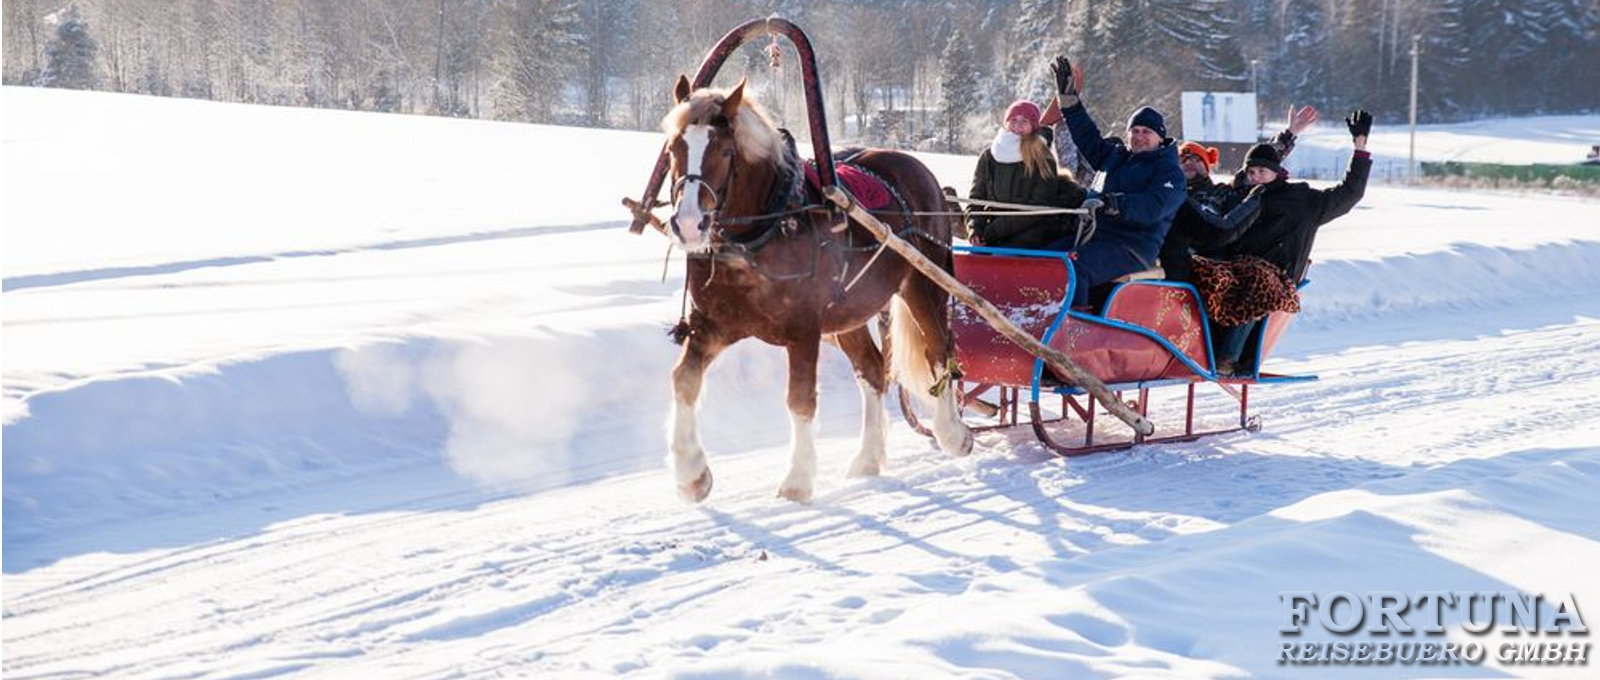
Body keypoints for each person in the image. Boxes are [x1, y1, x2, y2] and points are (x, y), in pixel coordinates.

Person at [1202, 109, 1375, 375]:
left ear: (1276, 173)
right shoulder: (1240, 195)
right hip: (1235, 265)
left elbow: (1349, 192)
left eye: (1262, 171)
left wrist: (1360, 147)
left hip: (1276, 274)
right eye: (1252, 172)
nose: (1256, 176)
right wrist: (1290, 132)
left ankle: (1227, 357)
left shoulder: (1302, 200)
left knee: (1255, 278)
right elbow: (1263, 157)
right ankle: (1192, 346)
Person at [1048, 55, 1187, 307]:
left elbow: (1152, 207)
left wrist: (1115, 203)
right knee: (1043, 257)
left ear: (1160, 138)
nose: (1139, 136)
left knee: (1075, 268)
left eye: (1147, 132)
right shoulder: (1116, 157)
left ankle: (1075, 332)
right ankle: (1032, 316)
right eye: (1134, 131)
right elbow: (1088, 137)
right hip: (1097, 238)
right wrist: (1069, 104)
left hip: (1132, 247)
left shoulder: (1170, 173)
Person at [1161, 106, 1319, 283]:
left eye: (1197, 159)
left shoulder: (1225, 192)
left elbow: (1262, 162)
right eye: (1184, 160)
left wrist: (1290, 133)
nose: (1190, 162)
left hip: (1209, 264)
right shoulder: (1169, 195)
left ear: (1207, 167)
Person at [967, 100, 1086, 250]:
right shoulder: (989, 156)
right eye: (1013, 120)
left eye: (1024, 122)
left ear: (1033, 126)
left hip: (1033, 235)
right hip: (993, 234)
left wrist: (994, 231)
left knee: (1001, 262)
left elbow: (1039, 207)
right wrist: (975, 230)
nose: (1017, 126)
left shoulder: (1042, 158)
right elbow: (976, 199)